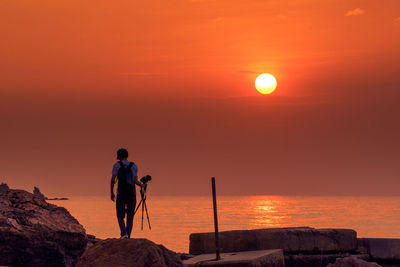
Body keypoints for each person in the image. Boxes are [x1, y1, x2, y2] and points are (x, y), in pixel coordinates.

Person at [110, 148, 143, 239]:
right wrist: (142, 186)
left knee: (120, 215)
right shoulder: (134, 166)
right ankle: (128, 235)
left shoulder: (117, 165)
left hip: (121, 194)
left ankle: (123, 234)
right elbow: (135, 181)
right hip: (131, 194)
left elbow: (113, 180)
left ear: (119, 156)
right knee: (130, 216)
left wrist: (111, 193)